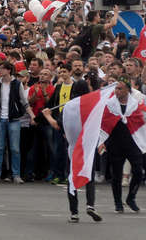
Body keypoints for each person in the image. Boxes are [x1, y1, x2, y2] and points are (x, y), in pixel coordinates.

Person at [41, 78, 102, 224]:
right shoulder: (93, 105)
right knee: (90, 176)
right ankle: (90, 205)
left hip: (73, 147)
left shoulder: (68, 107)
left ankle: (74, 213)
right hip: (88, 145)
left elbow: (58, 126)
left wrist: (48, 115)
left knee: (72, 177)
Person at [99, 78, 146, 213]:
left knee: (138, 172)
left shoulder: (135, 105)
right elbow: (104, 125)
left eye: (120, 89)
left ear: (127, 90)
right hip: (115, 144)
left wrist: (144, 144)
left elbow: (141, 124)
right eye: (116, 88)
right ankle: (118, 202)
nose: (117, 91)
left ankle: (131, 197)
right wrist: (101, 142)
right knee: (117, 174)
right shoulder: (109, 105)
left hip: (133, 143)